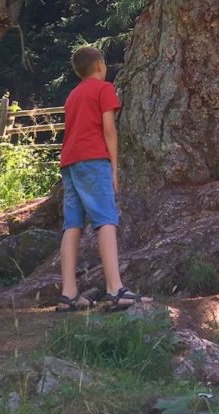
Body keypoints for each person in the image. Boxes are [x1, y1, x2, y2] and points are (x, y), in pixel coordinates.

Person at [56, 45, 150, 312]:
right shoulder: (103, 88)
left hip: (69, 162)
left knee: (72, 223)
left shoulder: (73, 95)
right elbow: (109, 129)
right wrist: (114, 168)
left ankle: (69, 293)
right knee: (106, 218)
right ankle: (115, 288)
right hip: (93, 159)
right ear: (99, 65)